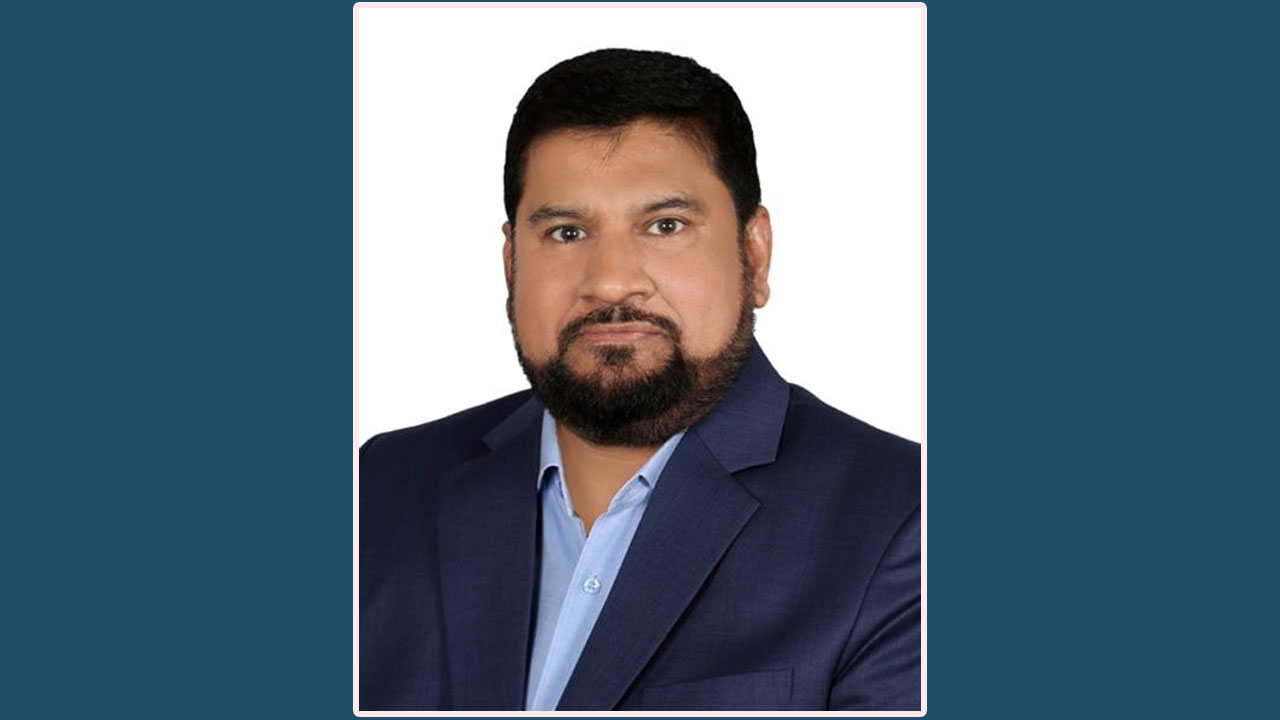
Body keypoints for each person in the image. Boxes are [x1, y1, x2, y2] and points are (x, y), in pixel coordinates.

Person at [359, 48, 920, 711]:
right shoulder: (381, 487)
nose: (610, 281)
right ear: (511, 263)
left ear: (755, 252)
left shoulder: (906, 519)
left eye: (664, 226)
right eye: (567, 232)